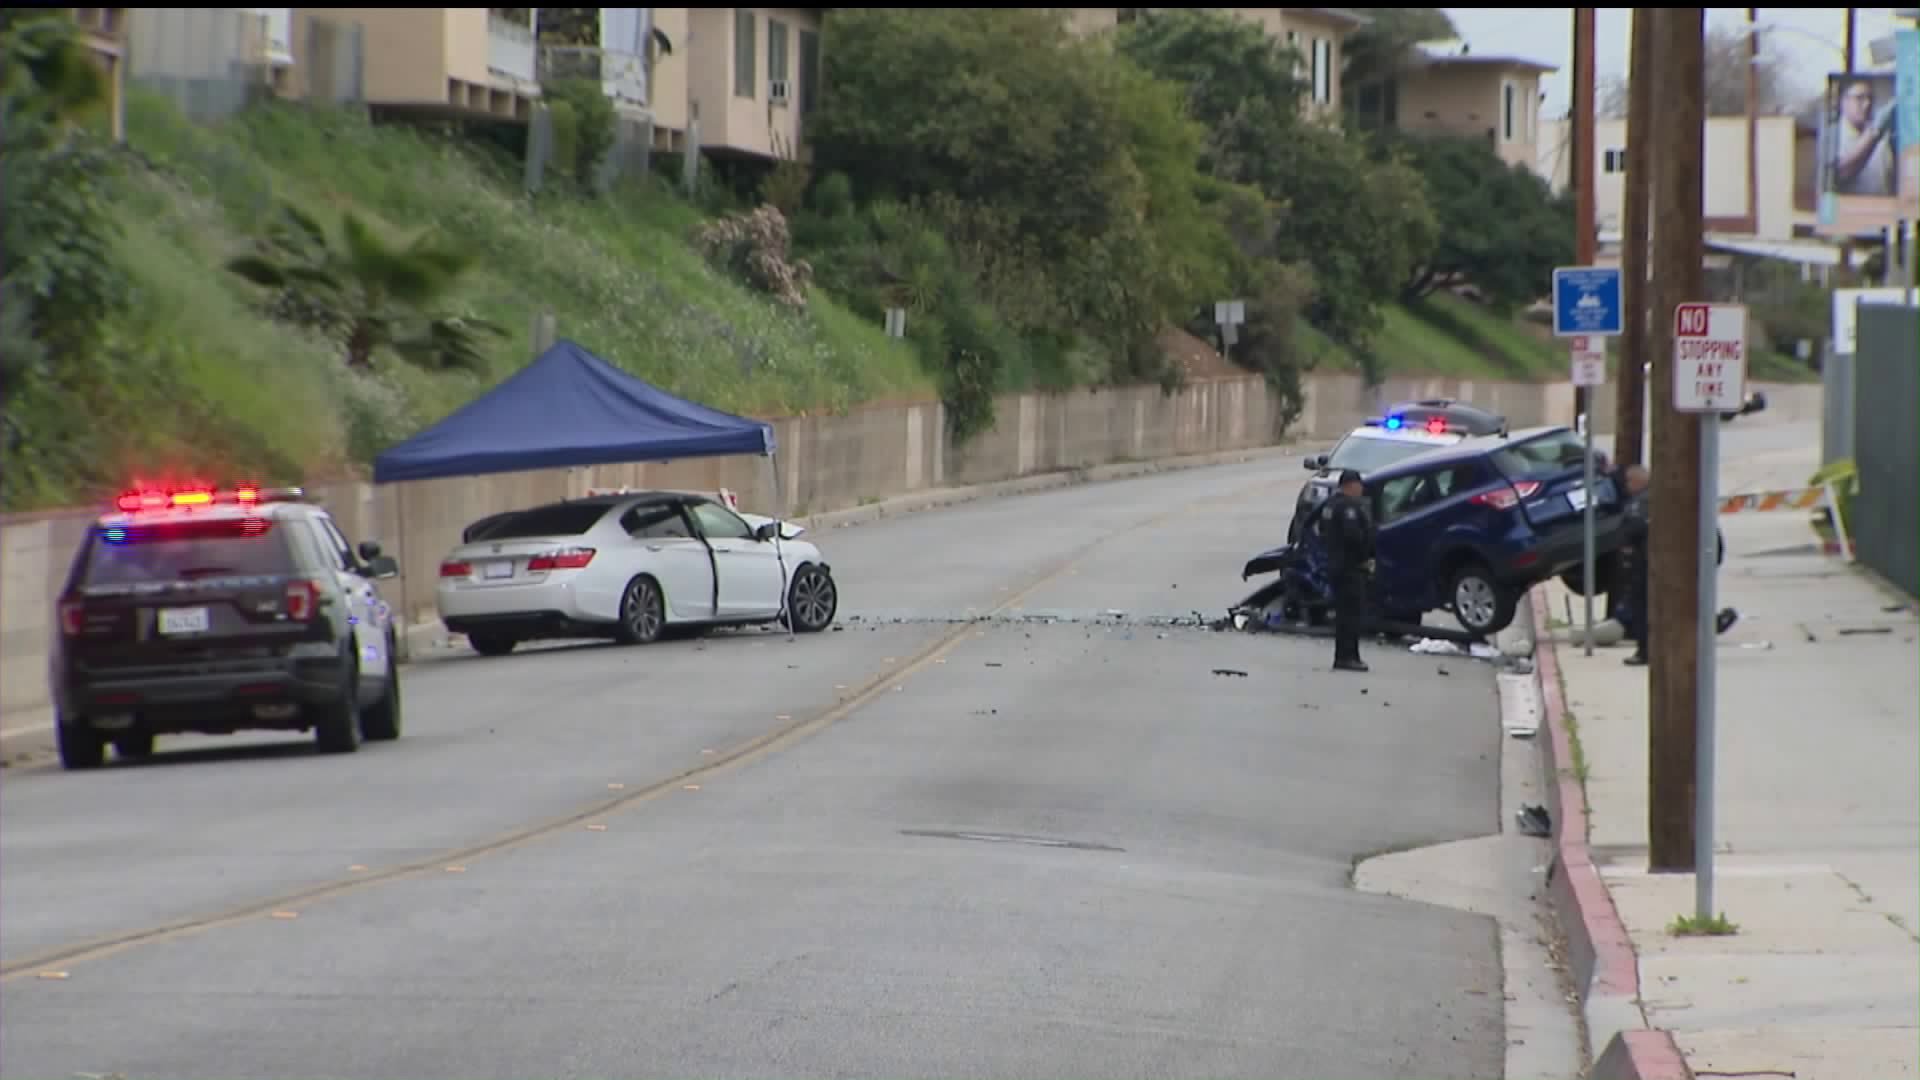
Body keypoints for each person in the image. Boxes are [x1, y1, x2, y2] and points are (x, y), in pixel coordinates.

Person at [1325, 468, 1376, 673]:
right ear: (1350, 485)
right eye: (1358, 485)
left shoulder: (1330, 505)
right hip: (1350, 567)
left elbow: (1322, 532)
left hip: (1336, 565)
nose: (1361, 489)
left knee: (1344, 614)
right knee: (1351, 615)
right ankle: (1348, 657)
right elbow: (1353, 538)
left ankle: (1344, 656)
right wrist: (1367, 556)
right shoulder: (1348, 508)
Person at [1828, 77, 1898, 197]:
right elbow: (1841, 173)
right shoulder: (1832, 135)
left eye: (1870, 98)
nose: (1867, 104)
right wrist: (1875, 133)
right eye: (1859, 98)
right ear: (1843, 101)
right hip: (1852, 213)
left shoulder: (1882, 136)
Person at [1619, 465, 1652, 666]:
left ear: (1637, 481)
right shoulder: (1653, 497)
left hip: (1645, 564)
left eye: (1628, 481)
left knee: (1642, 608)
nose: (1627, 486)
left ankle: (1644, 651)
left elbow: (1633, 527)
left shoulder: (1640, 502)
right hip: (1653, 562)